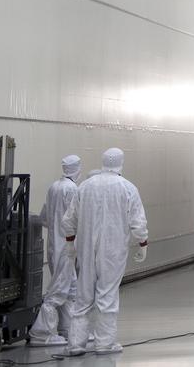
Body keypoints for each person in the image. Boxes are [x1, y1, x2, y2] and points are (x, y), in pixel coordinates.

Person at [62, 148, 149, 355]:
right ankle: (104, 343)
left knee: (83, 294)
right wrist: (142, 243)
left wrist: (70, 243)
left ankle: (75, 343)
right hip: (113, 248)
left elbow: (69, 219)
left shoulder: (85, 186)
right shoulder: (127, 188)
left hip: (85, 247)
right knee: (107, 293)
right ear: (121, 163)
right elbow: (137, 221)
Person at [30, 155, 81, 346]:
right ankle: (41, 332)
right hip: (66, 248)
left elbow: (44, 218)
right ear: (77, 168)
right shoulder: (72, 189)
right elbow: (77, 220)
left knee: (70, 290)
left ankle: (70, 329)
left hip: (54, 246)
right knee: (59, 290)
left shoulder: (53, 187)